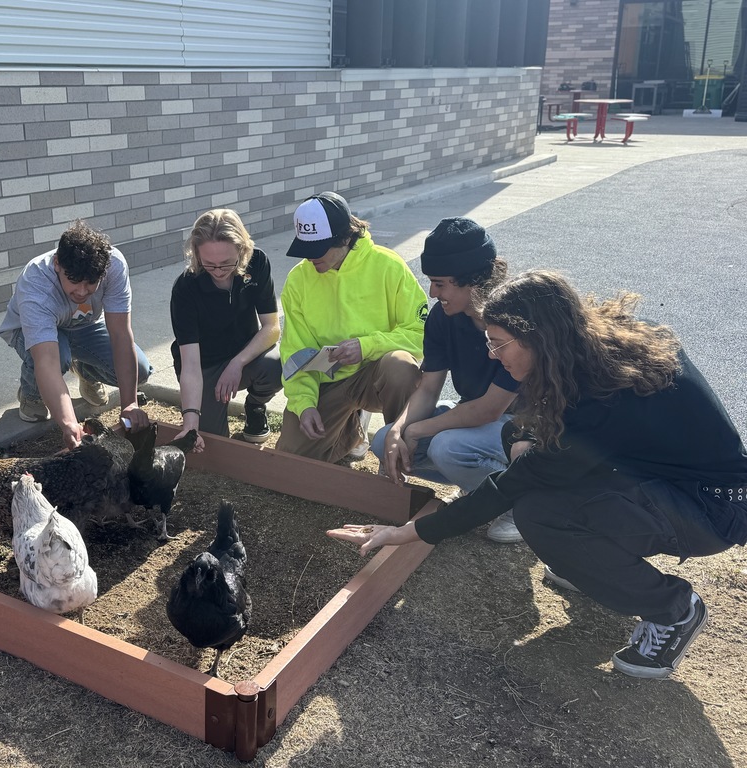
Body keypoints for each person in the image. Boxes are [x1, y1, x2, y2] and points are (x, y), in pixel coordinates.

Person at [329, 270, 747, 679]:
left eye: (497, 344)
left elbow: (509, 488)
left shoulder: (604, 397)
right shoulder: (601, 349)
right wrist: (522, 440)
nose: (492, 355)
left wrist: (406, 532)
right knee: (523, 441)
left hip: (711, 508)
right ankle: (590, 562)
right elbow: (539, 432)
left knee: (540, 513)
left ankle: (675, 609)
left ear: (537, 337)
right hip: (671, 481)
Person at [371, 218, 522, 543]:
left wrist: (418, 429)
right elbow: (428, 387)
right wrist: (398, 431)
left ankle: (517, 501)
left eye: (440, 284)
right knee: (382, 441)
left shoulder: (514, 319)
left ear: (474, 281)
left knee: (447, 447)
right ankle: (478, 490)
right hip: (477, 416)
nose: (432, 292)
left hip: (526, 428)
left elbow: (490, 410)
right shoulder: (443, 317)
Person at [277, 191, 427, 464]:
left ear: (345, 237)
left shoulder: (388, 266)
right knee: (292, 460)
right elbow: (296, 352)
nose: (310, 258)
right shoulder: (298, 280)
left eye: (318, 249)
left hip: (375, 376)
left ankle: (398, 453)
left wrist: (367, 347)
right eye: (304, 248)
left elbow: (420, 333)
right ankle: (351, 433)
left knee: (401, 367)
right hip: (327, 380)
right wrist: (305, 403)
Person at [0, 220, 151, 448]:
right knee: (58, 357)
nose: (81, 291)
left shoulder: (114, 264)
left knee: (140, 370)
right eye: (74, 281)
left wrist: (130, 404)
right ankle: (32, 394)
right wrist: (69, 423)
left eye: (91, 284)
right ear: (57, 263)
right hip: (30, 332)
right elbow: (47, 361)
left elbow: (120, 335)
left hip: (85, 325)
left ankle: (85, 371)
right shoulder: (36, 282)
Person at [170, 209, 282, 450]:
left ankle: (255, 406)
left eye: (226, 264)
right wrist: (190, 423)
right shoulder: (185, 288)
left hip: (244, 356)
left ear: (242, 251)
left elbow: (272, 328)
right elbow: (189, 364)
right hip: (204, 365)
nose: (219, 272)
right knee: (212, 445)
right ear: (196, 255)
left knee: (278, 364)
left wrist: (237, 363)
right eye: (208, 264)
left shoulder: (258, 262)